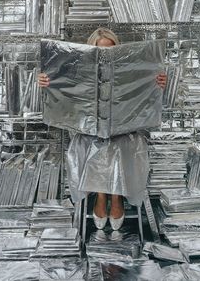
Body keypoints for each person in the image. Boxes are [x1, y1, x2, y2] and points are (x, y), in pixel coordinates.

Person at [38, 28, 167, 230]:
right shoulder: (77, 71)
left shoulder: (132, 70)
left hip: (125, 133)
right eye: (100, 51)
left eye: (110, 50)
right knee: (99, 143)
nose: (105, 55)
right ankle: (102, 195)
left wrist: (157, 84)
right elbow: (64, 97)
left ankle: (114, 197)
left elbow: (148, 99)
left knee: (117, 144)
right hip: (89, 133)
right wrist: (48, 82)